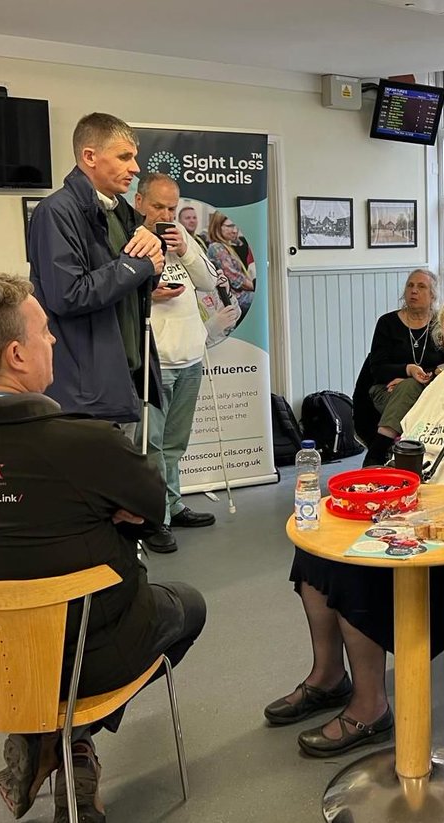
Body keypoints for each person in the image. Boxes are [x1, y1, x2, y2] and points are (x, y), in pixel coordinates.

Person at [0, 275, 206, 823]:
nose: (53, 342)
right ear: (15, 354)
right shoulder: (89, 445)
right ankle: (67, 740)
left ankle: (46, 744)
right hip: (89, 660)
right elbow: (151, 511)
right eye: (46, 332)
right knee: (190, 605)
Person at [268, 290, 444, 758]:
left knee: (358, 570)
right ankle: (328, 676)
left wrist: (442, 488)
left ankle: (371, 706)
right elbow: (408, 447)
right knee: (315, 551)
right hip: (415, 514)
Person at [29, 112, 164, 430]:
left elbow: (137, 282)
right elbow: (68, 295)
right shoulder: (56, 212)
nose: (136, 168)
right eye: (124, 157)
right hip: (86, 392)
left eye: (135, 157)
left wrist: (154, 258)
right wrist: (138, 265)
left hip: (125, 378)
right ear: (90, 156)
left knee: (124, 478)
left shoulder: (123, 212)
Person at [134, 173, 241, 554]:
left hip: (191, 356)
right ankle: (153, 519)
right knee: (151, 446)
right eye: (158, 206)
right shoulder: (130, 240)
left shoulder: (184, 239)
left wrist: (186, 251)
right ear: (140, 203)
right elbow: (114, 293)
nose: (165, 214)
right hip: (154, 359)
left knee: (175, 444)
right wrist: (149, 291)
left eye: (171, 207)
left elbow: (211, 283)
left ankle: (173, 505)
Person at [352, 269, 444, 465]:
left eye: (421, 287)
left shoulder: (442, 325)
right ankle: (378, 454)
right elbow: (377, 369)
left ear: (433, 295)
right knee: (409, 388)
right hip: (386, 390)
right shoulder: (387, 323)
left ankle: (380, 455)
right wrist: (407, 370)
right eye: (410, 286)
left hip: (431, 392)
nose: (414, 291)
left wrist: (415, 377)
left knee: (410, 386)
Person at [207, 211, 255, 321]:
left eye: (236, 226)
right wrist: (257, 287)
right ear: (218, 227)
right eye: (230, 226)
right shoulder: (216, 248)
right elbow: (237, 280)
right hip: (234, 298)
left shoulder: (227, 246)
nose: (235, 231)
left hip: (239, 295)